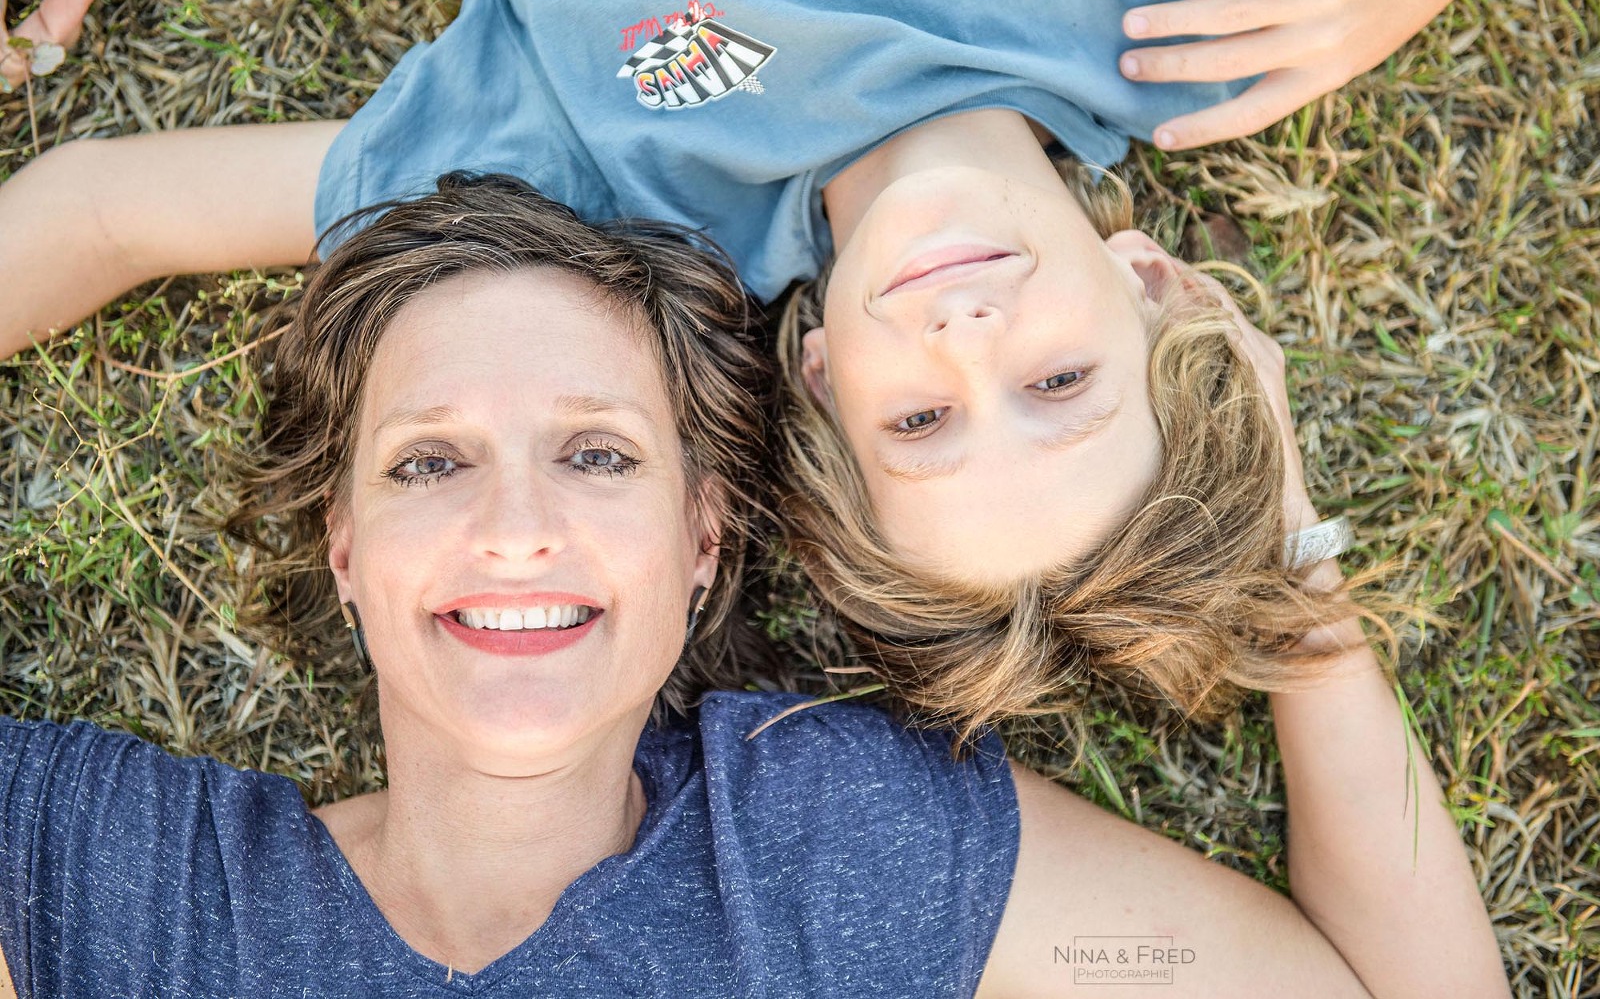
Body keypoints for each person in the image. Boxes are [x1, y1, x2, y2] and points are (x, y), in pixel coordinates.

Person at [0, 173, 1508, 997]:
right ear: (344, 548)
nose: (516, 528)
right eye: (428, 465)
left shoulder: (827, 846)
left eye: (596, 457)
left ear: (706, 539)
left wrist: (1281, 550)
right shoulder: (120, 887)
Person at [0, 0, 1488, 720]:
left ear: (827, 379)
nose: (967, 333)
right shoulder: (1209, 24)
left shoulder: (594, 192)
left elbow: (104, 219)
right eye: (1056, 380)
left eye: (921, 421)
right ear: (1155, 285)